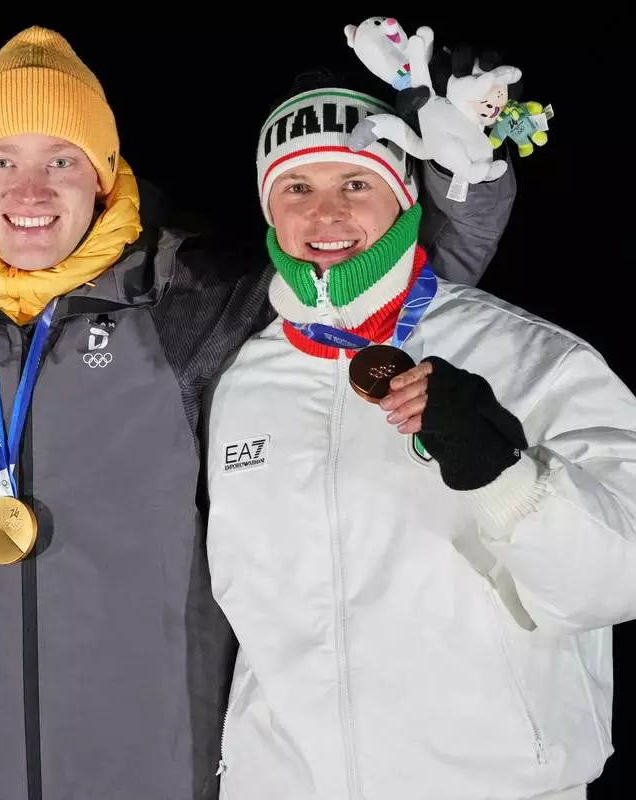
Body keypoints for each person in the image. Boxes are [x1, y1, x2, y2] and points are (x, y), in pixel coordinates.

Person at [0, 27, 517, 799]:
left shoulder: (184, 302)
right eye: (0, 161)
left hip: (150, 767)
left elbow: (376, 303)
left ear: (103, 173)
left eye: (61, 160)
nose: (31, 191)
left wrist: (467, 179)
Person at [205, 83, 636, 799]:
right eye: (297, 187)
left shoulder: (535, 358)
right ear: (268, 209)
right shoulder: (242, 379)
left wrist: (505, 473)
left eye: (355, 182)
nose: (326, 212)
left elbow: (617, 579)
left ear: (406, 197)